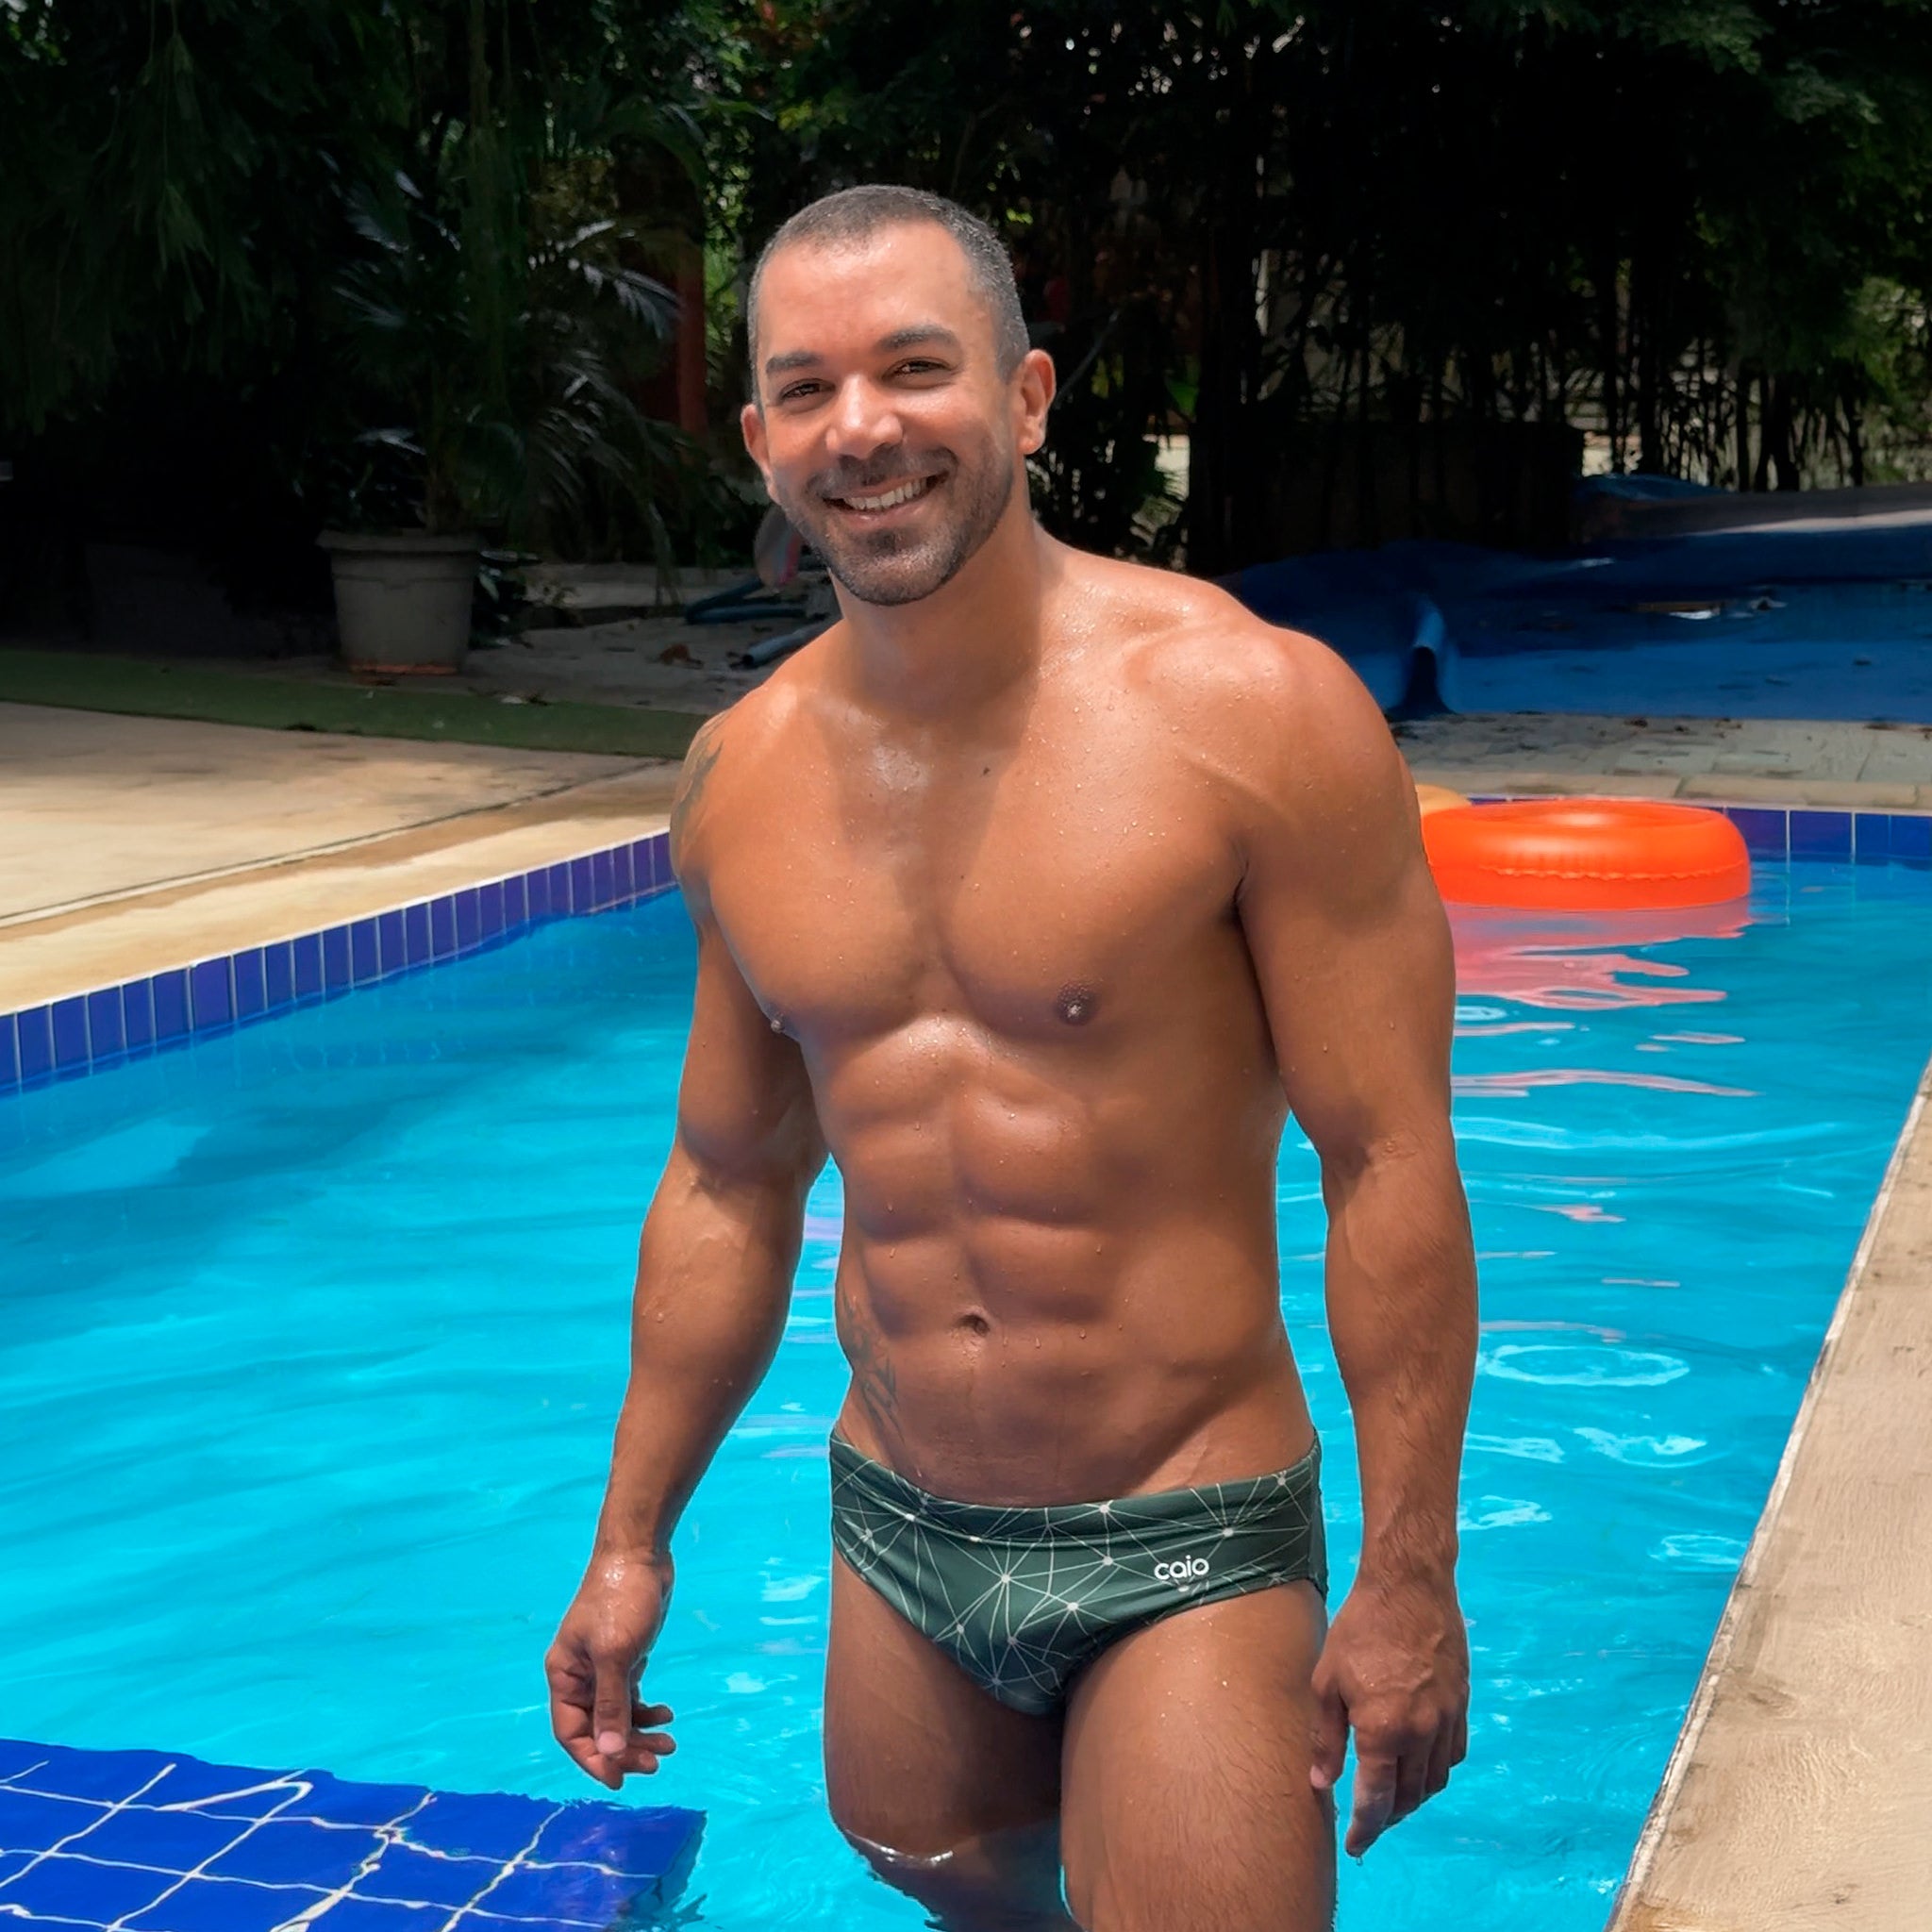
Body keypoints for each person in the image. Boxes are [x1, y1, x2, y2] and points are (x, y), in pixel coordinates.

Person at [546, 184, 1477, 1932]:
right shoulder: (737, 778)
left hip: (1182, 1527)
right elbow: (732, 1180)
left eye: (917, 368)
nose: (865, 428)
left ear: (1031, 398)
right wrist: (629, 1542)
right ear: (758, 439)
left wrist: (1411, 1571)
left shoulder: (1253, 714)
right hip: (897, 1527)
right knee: (955, 1884)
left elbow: (1387, 1158)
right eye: (809, 388)